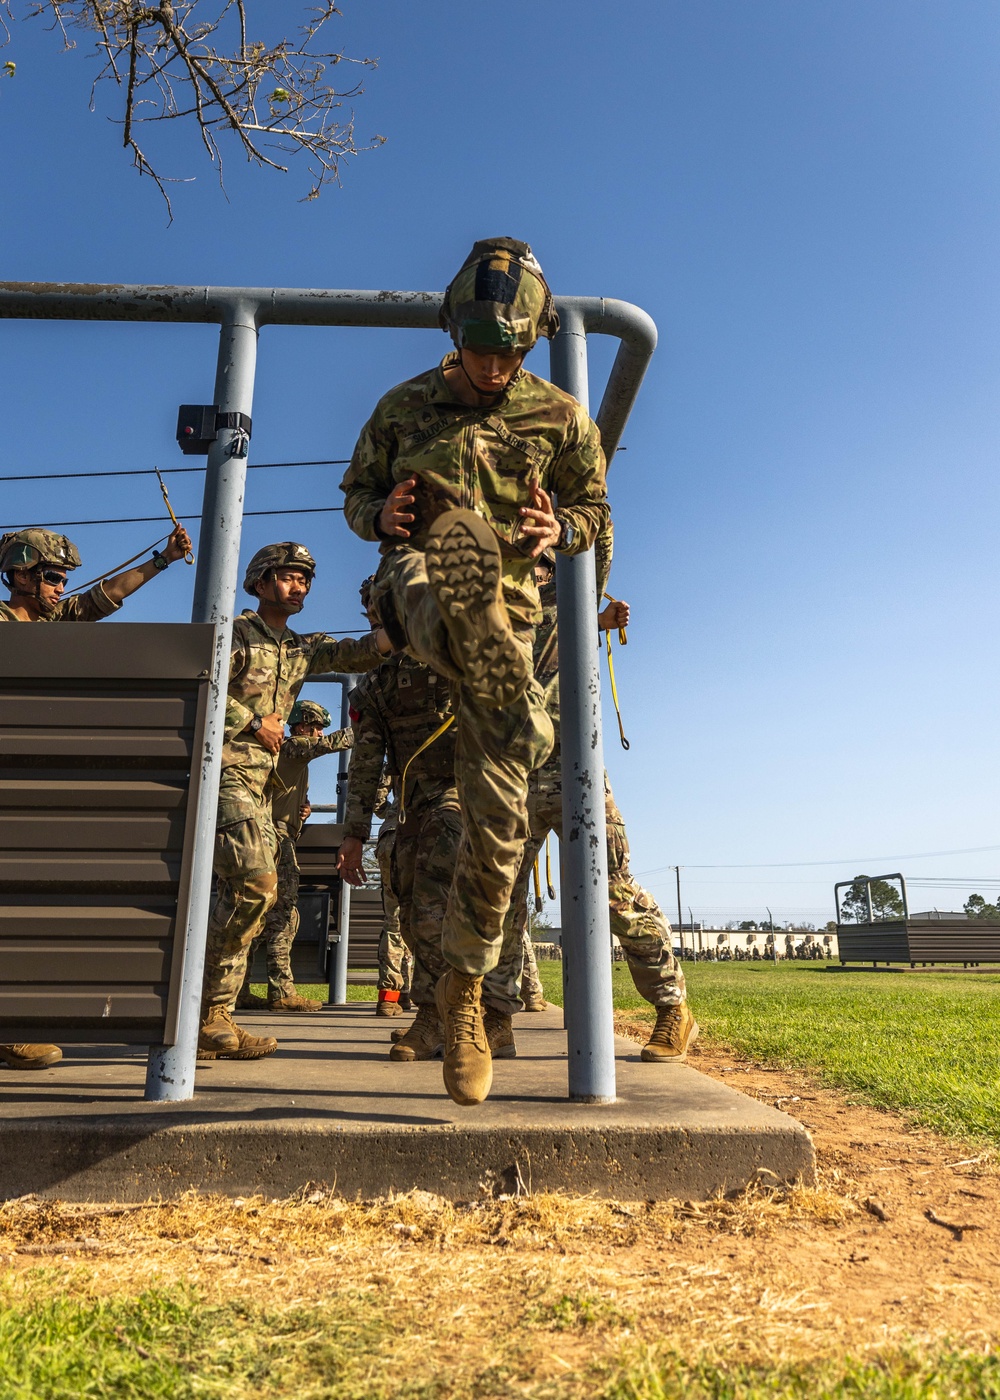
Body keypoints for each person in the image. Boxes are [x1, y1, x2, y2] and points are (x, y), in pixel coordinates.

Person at [341, 237, 608, 1105]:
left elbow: (596, 511)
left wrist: (554, 529)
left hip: (514, 621)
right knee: (427, 583)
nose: (496, 367)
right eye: (482, 349)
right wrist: (380, 512)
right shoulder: (401, 408)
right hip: (419, 581)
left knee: (495, 832)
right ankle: (467, 612)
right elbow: (356, 500)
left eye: (513, 353)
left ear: (532, 343)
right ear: (452, 332)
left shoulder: (559, 417)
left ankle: (460, 994)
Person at [0, 522, 192, 1072]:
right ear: (18, 574)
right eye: (52, 576)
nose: (61, 587)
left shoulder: (52, 621)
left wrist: (161, 561)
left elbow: (100, 602)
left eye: (63, 578)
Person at [499, 546, 698, 1062]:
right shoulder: (493, 609)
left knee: (615, 896)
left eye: (541, 565)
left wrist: (599, 620)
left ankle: (672, 1008)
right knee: (498, 899)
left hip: (575, 768)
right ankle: (496, 1018)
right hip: (510, 769)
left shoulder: (570, 599)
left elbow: (591, 550)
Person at [198, 542, 390, 1062]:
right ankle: (206, 1013)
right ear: (259, 583)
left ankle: (213, 1016)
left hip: (261, 787)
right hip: (226, 775)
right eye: (286, 577)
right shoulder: (235, 634)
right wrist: (253, 721)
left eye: (305, 578)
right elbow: (204, 682)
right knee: (258, 886)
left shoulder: (301, 648)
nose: (298, 585)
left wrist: (411, 623)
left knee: (243, 899)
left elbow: (361, 650)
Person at [237, 698, 354, 1013]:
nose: (317, 733)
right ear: (300, 726)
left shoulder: (293, 762)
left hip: (278, 835)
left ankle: (240, 989)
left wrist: (301, 814)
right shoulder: (289, 748)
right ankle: (281, 991)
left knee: (266, 915)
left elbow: (285, 802)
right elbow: (328, 745)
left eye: (319, 728)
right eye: (314, 727)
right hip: (274, 837)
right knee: (285, 914)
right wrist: (368, 730)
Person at [371, 780, 413, 1018]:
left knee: (394, 918)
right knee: (426, 914)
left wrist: (390, 811)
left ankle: (393, 995)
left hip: (391, 834)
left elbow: (376, 795)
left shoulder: (399, 747)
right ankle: (421, 994)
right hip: (429, 833)